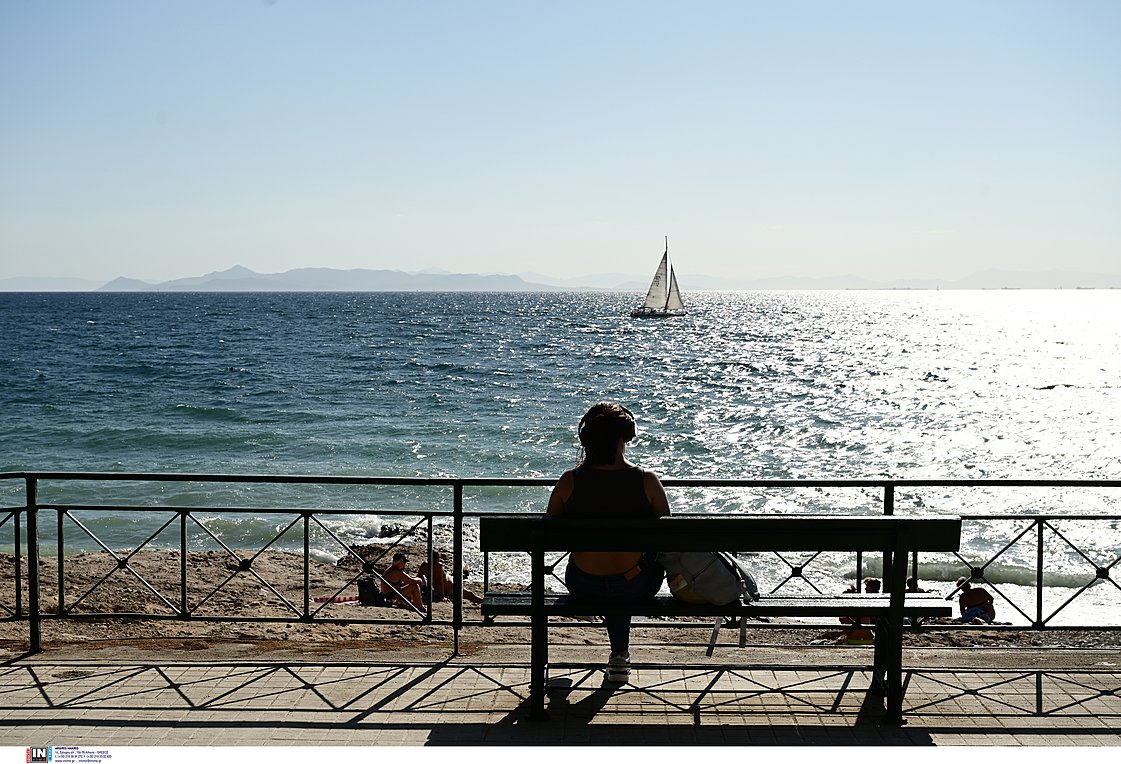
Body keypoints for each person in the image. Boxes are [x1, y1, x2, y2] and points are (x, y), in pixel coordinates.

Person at [546, 401, 670, 684]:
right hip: (636, 586)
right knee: (630, 575)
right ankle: (619, 656)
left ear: (585, 439)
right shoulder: (647, 481)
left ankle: (618, 655)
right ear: (626, 436)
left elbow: (550, 532)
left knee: (611, 580)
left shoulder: (569, 481)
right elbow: (668, 537)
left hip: (583, 583)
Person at [418, 552, 483, 605]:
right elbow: (439, 582)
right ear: (437, 559)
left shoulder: (424, 565)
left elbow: (418, 577)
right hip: (450, 587)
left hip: (445, 584)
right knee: (469, 594)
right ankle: (483, 601)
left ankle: (482, 601)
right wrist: (442, 597)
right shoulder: (438, 566)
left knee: (467, 591)